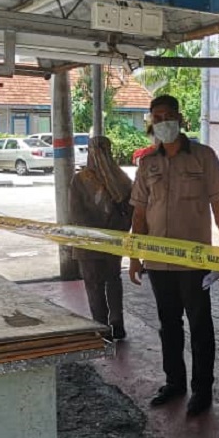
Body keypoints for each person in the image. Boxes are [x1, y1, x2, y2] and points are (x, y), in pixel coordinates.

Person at [129, 95, 219, 417]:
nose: (162, 122)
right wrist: (134, 256)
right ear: (151, 122)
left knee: (201, 325)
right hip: (159, 263)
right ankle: (175, 382)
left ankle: (203, 390)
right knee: (169, 324)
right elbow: (140, 215)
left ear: (179, 117)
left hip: (194, 263)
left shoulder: (203, 157)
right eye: (156, 117)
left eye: (167, 115)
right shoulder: (147, 164)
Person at [69, 137, 133, 340]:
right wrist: (117, 230)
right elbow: (130, 212)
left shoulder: (80, 179)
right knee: (113, 280)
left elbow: (75, 213)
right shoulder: (122, 179)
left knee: (94, 284)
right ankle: (116, 323)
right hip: (113, 240)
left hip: (88, 242)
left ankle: (102, 325)